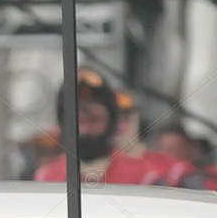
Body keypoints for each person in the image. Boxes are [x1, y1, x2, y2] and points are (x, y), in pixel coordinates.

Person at [33, 71, 196, 187]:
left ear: (112, 123)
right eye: (76, 121)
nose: (84, 129)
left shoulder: (147, 176)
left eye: (93, 119)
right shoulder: (46, 177)